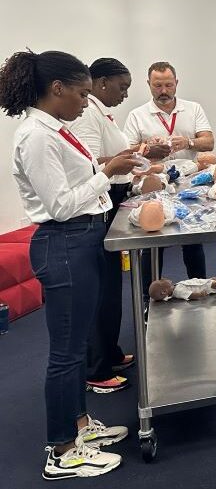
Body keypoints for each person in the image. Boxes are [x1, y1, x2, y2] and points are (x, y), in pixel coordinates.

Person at [2, 49, 141, 478]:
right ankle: (62, 449)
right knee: (65, 353)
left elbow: (75, 182)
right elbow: (60, 205)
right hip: (64, 241)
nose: (86, 103)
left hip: (81, 238)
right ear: (56, 89)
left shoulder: (55, 128)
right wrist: (108, 171)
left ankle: (80, 425)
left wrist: (108, 169)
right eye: (81, 94)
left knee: (77, 343)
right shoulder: (37, 136)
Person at [67, 57, 136, 394]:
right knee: (101, 290)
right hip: (93, 206)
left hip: (108, 197)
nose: (125, 95)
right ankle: (96, 365)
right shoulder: (87, 115)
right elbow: (91, 167)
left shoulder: (99, 111)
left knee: (110, 287)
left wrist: (134, 158)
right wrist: (123, 163)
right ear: (102, 82)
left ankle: (109, 351)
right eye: (122, 87)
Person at [124, 61, 213, 284]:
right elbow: (127, 151)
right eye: (157, 86)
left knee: (193, 238)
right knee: (153, 242)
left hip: (189, 185)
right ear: (148, 84)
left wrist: (188, 142)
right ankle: (147, 299)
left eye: (168, 85)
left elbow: (209, 142)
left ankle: (200, 287)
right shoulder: (137, 115)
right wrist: (147, 147)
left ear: (176, 84)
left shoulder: (193, 109)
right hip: (154, 186)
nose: (163, 91)